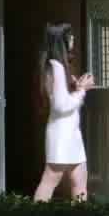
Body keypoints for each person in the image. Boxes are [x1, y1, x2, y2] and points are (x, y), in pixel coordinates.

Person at [33, 21, 94, 203]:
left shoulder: (56, 66)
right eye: (70, 36)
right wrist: (82, 90)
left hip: (71, 133)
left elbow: (63, 99)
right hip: (62, 134)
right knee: (50, 180)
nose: (73, 39)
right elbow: (61, 105)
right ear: (63, 40)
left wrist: (76, 87)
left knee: (79, 181)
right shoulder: (56, 68)